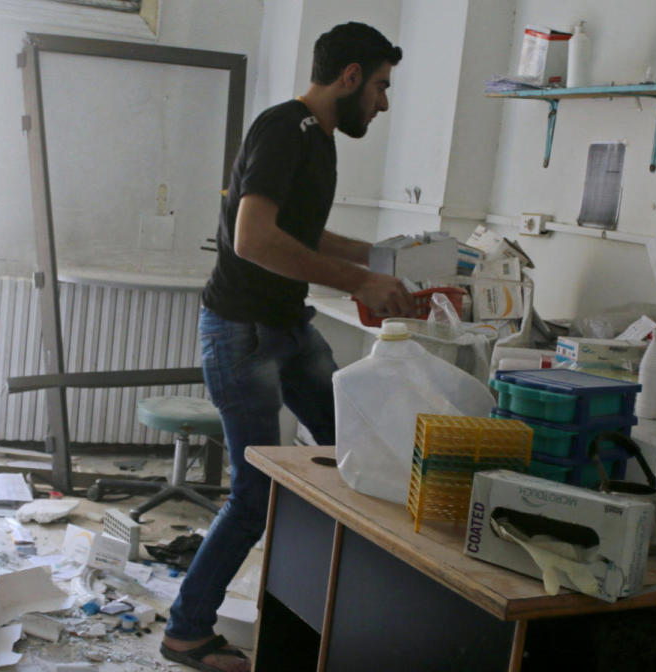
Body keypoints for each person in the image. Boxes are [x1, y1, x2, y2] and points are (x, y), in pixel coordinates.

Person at [160, 22, 413, 672]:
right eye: (380, 86)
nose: (383, 103)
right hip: (243, 330)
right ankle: (186, 632)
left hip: (285, 326)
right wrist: (363, 282)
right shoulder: (284, 128)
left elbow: (303, 234)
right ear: (350, 77)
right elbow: (253, 239)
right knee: (253, 493)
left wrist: (392, 259)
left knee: (355, 451)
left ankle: (324, 609)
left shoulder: (318, 141)